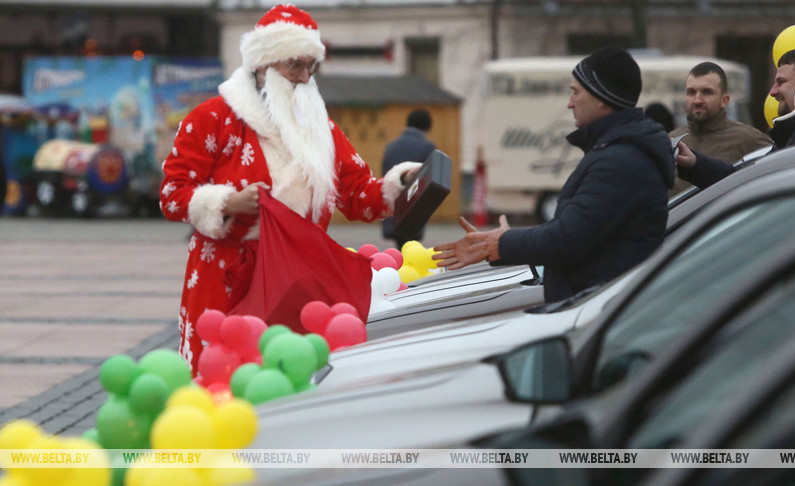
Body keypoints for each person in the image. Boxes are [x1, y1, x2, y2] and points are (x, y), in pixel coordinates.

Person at [159, 4, 421, 373]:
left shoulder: (321, 130)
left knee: (290, 377)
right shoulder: (213, 118)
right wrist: (228, 202)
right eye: (293, 65)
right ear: (262, 65)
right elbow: (172, 195)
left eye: (310, 66)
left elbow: (358, 195)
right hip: (227, 277)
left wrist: (399, 184)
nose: (303, 77)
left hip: (296, 280)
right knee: (222, 374)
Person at [434, 47, 674, 303]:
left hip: (599, 309)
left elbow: (567, 240)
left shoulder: (620, 160)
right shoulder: (618, 153)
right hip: (599, 304)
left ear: (602, 98)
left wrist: (501, 243)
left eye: (576, 93)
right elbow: (575, 230)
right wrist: (498, 244)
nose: (570, 103)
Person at [676, 48, 795, 189]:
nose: (773, 91)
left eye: (781, 82)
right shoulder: (675, 139)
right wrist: (694, 163)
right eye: (691, 92)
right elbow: (743, 179)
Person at [669, 62, 772, 195]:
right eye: (691, 92)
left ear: (725, 100)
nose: (697, 100)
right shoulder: (672, 140)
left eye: (707, 92)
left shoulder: (749, 139)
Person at [381, 109, 436, 248]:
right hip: (414, 210)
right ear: (427, 127)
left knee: (400, 251)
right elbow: (431, 181)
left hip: (392, 209)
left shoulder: (391, 146)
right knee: (410, 252)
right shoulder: (427, 147)